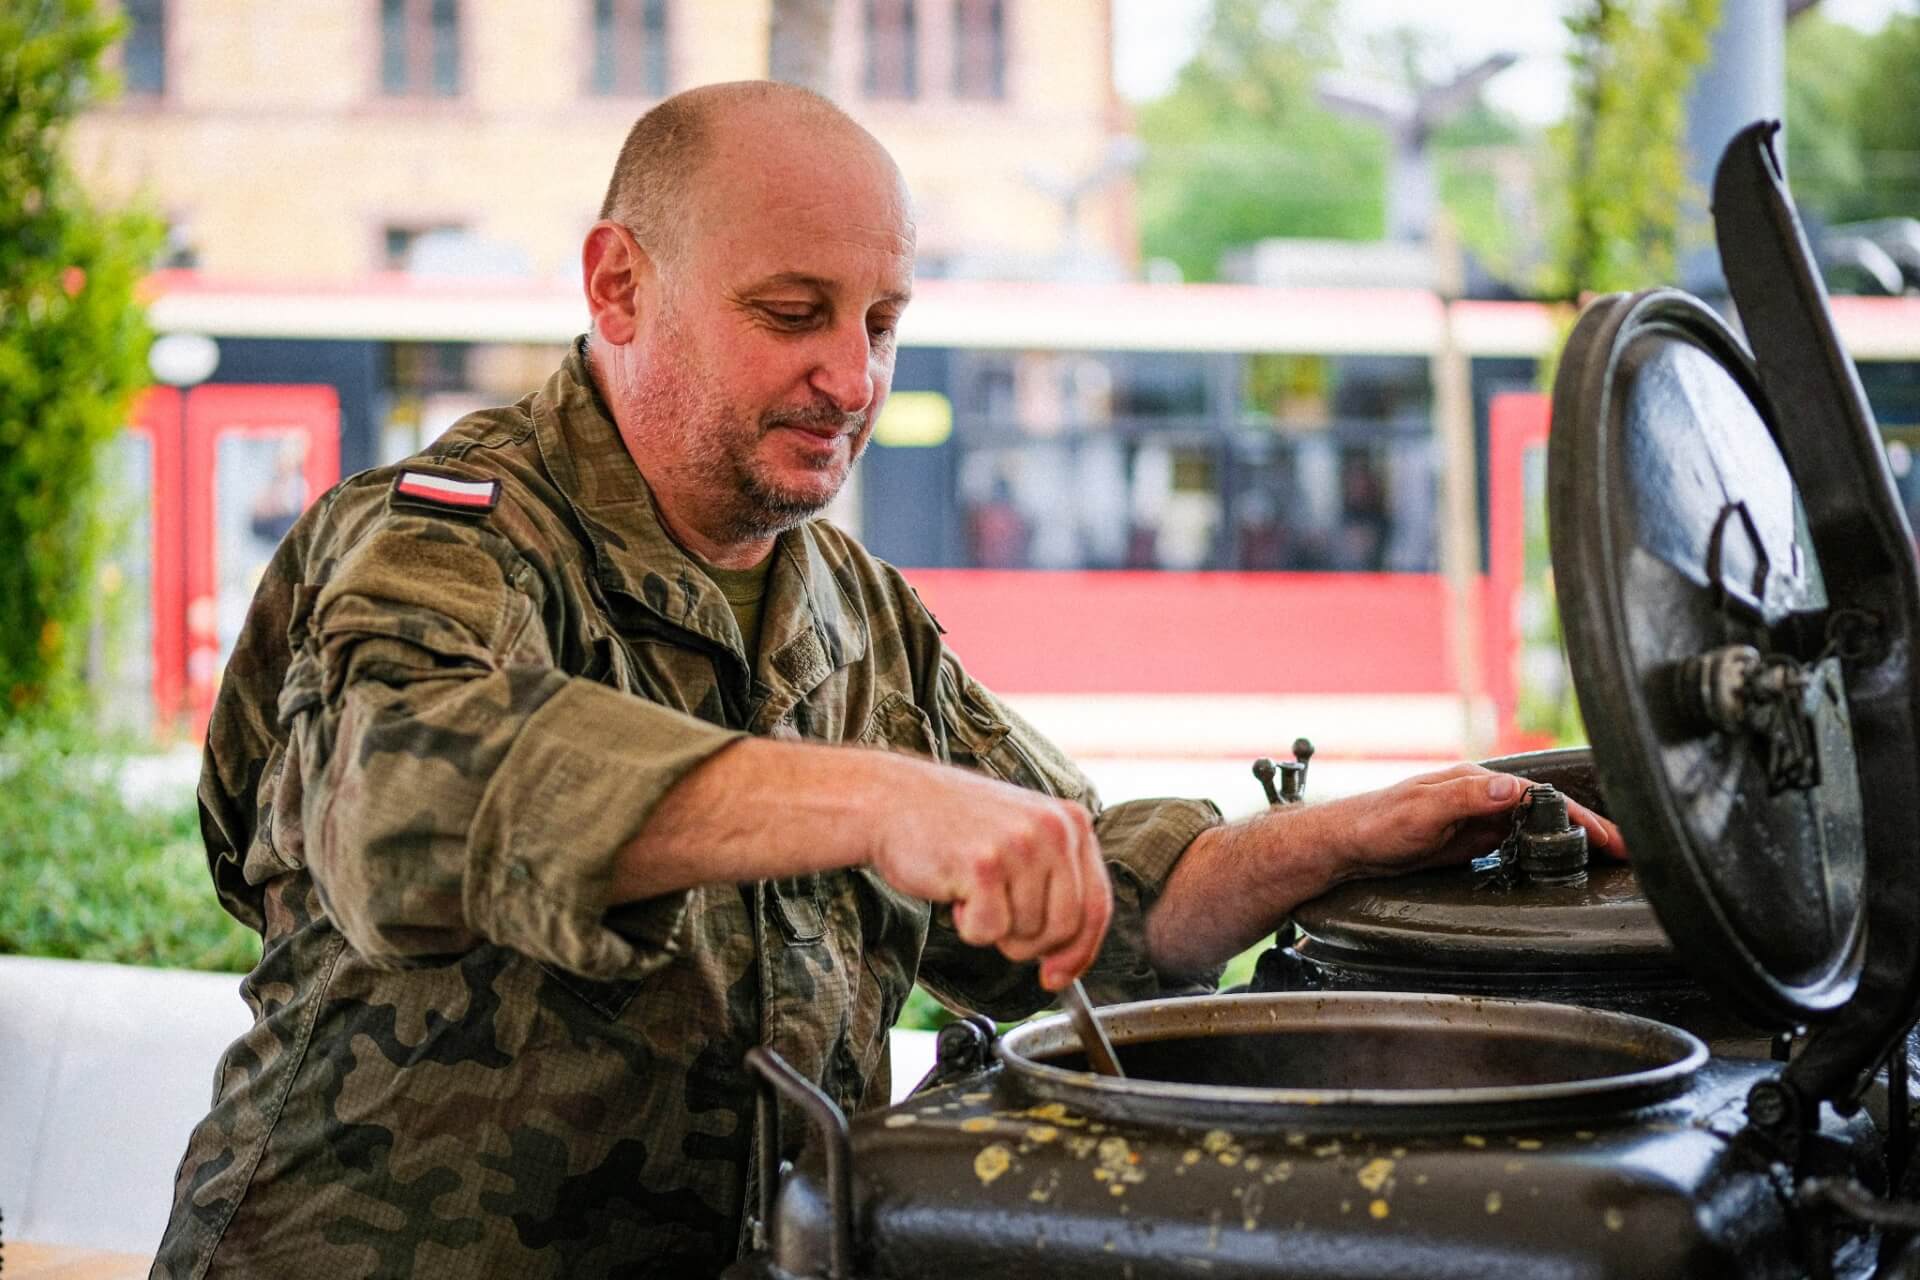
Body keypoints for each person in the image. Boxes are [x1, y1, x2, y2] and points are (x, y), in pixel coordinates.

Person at [153, 81, 1618, 1278]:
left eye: (883, 321)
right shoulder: (442, 535)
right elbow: (406, 797)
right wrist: (867, 800)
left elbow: (1090, 899)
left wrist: (1345, 836)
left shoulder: (855, 614)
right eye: (793, 313)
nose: (854, 379)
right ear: (619, 284)